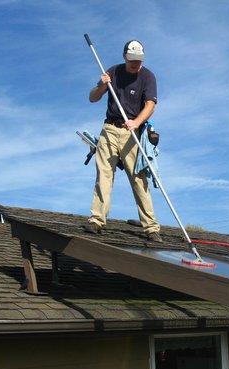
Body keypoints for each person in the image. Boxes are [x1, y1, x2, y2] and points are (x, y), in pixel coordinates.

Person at [85, 40, 162, 243]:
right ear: (124, 57)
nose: (135, 64)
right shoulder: (113, 72)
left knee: (138, 178)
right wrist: (102, 85)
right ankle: (97, 220)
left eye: (139, 60)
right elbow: (92, 98)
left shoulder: (147, 76)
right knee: (104, 174)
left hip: (132, 132)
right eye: (132, 60)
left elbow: (150, 105)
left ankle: (151, 227)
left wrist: (136, 122)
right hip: (110, 129)